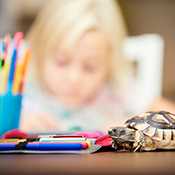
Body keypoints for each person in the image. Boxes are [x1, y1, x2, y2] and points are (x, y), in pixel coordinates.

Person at [20, 0, 175, 132]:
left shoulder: (116, 89)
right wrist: (12, 126)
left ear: (109, 65)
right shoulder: (21, 91)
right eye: (62, 62)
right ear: (39, 52)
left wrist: (134, 126)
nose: (74, 78)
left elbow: (170, 115)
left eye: (89, 67)